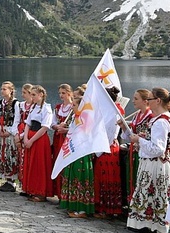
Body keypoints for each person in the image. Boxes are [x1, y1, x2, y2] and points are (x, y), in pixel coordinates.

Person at [119, 87, 170, 233]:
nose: (149, 102)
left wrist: (140, 139)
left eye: (150, 99)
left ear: (157, 101)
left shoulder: (161, 122)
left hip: (156, 165)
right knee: (155, 196)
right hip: (159, 163)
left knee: (158, 197)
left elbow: (158, 148)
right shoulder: (167, 118)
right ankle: (155, 230)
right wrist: (144, 140)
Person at [59, 85, 95, 218]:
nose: (72, 107)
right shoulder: (76, 117)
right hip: (74, 150)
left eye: (74, 104)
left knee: (80, 178)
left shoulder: (86, 119)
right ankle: (73, 204)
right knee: (72, 176)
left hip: (81, 152)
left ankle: (82, 208)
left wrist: (68, 131)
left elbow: (84, 134)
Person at [93, 86, 124, 218]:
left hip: (107, 147)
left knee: (107, 178)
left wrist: (98, 151)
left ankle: (108, 208)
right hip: (102, 146)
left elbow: (111, 134)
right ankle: (101, 206)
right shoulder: (105, 111)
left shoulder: (113, 112)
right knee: (101, 177)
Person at [22, 85, 53, 201]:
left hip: (39, 139)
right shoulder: (34, 107)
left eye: (34, 95)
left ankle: (40, 191)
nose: (32, 97)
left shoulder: (46, 108)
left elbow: (44, 128)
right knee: (30, 164)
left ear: (41, 95)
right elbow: (28, 123)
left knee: (39, 165)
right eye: (31, 94)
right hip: (30, 136)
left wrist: (31, 140)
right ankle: (31, 189)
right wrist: (25, 138)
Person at [122, 89, 153, 206]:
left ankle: (140, 207)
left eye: (136, 99)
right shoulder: (137, 115)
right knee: (132, 178)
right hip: (134, 152)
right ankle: (132, 207)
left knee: (140, 180)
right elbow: (130, 136)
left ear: (145, 101)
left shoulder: (151, 116)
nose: (133, 101)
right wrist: (124, 127)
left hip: (143, 153)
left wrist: (140, 139)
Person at [0, 81, 20, 192]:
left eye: (5, 89)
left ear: (11, 90)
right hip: (2, 131)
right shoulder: (1, 102)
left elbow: (16, 120)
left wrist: (9, 131)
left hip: (9, 132)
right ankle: (6, 178)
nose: (2, 91)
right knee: (3, 155)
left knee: (10, 155)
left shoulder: (16, 104)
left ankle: (12, 181)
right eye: (1, 89)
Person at [51, 84, 73, 198]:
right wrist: (57, 127)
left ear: (69, 93)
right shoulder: (58, 107)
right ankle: (59, 192)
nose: (61, 95)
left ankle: (67, 194)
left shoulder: (73, 108)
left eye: (63, 93)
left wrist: (65, 129)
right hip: (57, 137)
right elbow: (52, 122)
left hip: (67, 139)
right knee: (56, 161)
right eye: (60, 93)